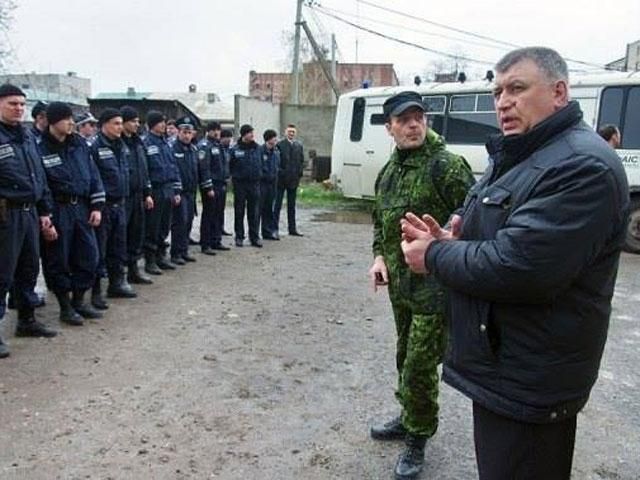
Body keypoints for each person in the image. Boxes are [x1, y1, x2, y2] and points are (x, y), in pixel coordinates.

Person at [400, 47, 630, 480]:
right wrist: (455, 238)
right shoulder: (521, 153)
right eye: (497, 91)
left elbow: (521, 267)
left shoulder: (580, 164)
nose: (503, 101)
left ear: (559, 92)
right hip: (507, 365)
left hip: (530, 378)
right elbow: (506, 236)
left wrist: (433, 254)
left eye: (517, 89)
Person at [368, 91, 475, 480]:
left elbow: (475, 221)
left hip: (436, 289)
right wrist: (379, 257)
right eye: (404, 120)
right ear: (389, 128)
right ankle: (408, 414)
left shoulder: (446, 166)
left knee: (419, 365)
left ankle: (417, 436)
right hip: (401, 288)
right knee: (403, 355)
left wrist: (450, 247)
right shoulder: (389, 172)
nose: (413, 125)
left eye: (419, 117)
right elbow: (379, 222)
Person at [0, 84, 57, 358]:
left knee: (28, 268)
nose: (19, 108)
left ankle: (27, 320)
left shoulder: (26, 137)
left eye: (22, 104)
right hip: (5, 214)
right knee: (2, 274)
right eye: (12, 103)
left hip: (29, 213)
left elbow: (40, 177)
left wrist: (45, 211)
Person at [38, 102, 105, 325]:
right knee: (57, 260)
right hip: (58, 209)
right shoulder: (39, 148)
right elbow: (41, 184)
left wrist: (96, 206)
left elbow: (93, 175)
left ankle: (79, 301)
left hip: (82, 208)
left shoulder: (79, 145)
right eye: (66, 119)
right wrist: (46, 214)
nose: (71, 123)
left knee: (89, 257)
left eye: (71, 119)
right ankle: (65, 307)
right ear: (53, 121)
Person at [90, 108, 137, 301]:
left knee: (118, 246)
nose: (120, 127)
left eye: (120, 123)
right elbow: (93, 178)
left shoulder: (121, 146)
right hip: (104, 205)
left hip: (121, 203)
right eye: (115, 123)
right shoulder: (95, 147)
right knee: (100, 249)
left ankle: (117, 283)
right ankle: (96, 292)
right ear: (104, 125)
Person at [143, 111, 182, 273]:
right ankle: (150, 261)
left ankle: (161, 256)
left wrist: (176, 189)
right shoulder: (146, 143)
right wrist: (148, 193)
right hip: (155, 190)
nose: (164, 125)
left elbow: (173, 167)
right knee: (153, 226)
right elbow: (145, 169)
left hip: (168, 189)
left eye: (164, 122)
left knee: (165, 225)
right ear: (153, 124)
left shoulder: (166, 143)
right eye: (160, 122)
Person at [120, 106, 154, 285]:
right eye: (133, 121)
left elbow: (144, 169)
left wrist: (147, 192)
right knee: (121, 236)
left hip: (138, 195)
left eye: (137, 121)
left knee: (136, 234)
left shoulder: (138, 143)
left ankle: (134, 270)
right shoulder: (118, 143)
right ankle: (119, 275)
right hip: (123, 197)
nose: (136, 124)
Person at [170, 116, 199, 264]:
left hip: (191, 192)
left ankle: (184, 250)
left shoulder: (193, 149)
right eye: (184, 132)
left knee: (188, 222)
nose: (187, 135)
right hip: (179, 193)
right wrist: (175, 191)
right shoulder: (172, 149)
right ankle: (176, 253)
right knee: (179, 223)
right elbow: (172, 171)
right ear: (178, 132)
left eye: (189, 132)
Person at [229, 124, 262, 248]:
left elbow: (261, 163)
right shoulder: (235, 149)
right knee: (239, 211)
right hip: (240, 184)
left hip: (254, 183)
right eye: (250, 133)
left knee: (254, 212)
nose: (252, 135)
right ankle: (239, 236)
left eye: (252, 133)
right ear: (244, 134)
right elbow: (230, 166)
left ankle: (254, 237)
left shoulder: (258, 148)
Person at [197, 121, 225, 254]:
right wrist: (208, 187)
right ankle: (206, 243)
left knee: (218, 214)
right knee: (209, 214)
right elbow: (204, 168)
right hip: (211, 185)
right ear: (208, 131)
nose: (217, 132)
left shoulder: (218, 145)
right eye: (214, 130)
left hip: (220, 184)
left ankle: (216, 240)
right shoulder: (204, 146)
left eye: (218, 130)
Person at [275, 124, 304, 237]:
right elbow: (277, 161)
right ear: (285, 132)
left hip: (293, 180)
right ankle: (274, 228)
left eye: (293, 132)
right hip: (281, 180)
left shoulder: (298, 145)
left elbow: (301, 161)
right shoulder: (280, 145)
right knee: (277, 205)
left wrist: (299, 174)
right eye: (289, 131)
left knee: (291, 206)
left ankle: (292, 229)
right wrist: (281, 173)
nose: (291, 134)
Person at [259, 129, 280, 240]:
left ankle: (267, 232)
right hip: (262, 184)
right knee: (259, 209)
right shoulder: (260, 151)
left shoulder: (276, 152)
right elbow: (259, 167)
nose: (276, 140)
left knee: (269, 209)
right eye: (274, 138)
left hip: (273, 184)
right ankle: (255, 234)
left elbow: (277, 166)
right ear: (269, 139)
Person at [219, 128, 233, 236]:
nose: (228, 140)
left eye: (230, 138)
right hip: (217, 181)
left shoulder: (229, 150)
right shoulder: (219, 149)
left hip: (225, 180)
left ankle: (221, 227)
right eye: (226, 138)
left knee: (221, 207)